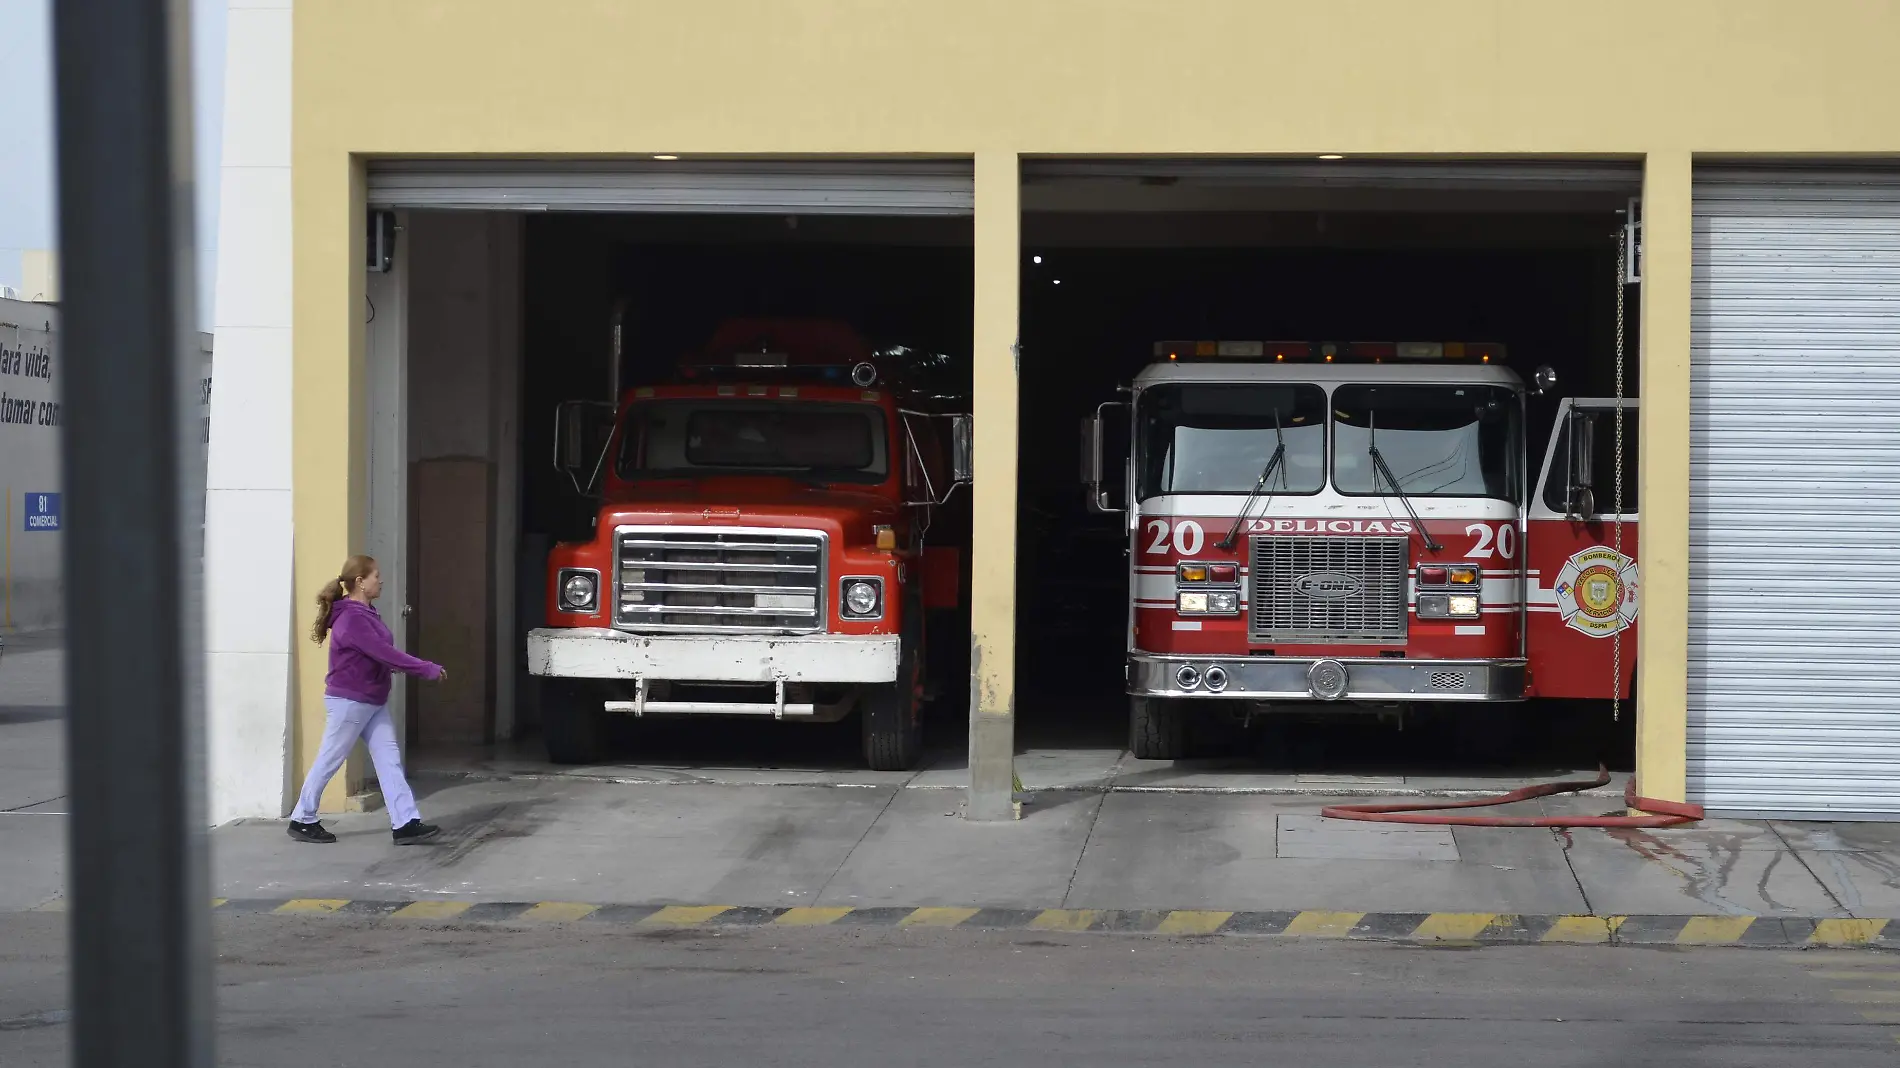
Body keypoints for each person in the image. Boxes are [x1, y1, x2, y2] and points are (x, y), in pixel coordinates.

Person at [287, 554, 446, 845]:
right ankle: (302, 818)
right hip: (350, 701)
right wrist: (426, 669)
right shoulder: (352, 619)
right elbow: (385, 654)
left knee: (389, 761)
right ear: (360, 582)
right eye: (376, 576)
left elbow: (383, 656)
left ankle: (405, 823)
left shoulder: (367, 614)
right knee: (330, 758)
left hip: (371, 701)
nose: (381, 580)